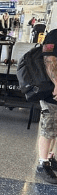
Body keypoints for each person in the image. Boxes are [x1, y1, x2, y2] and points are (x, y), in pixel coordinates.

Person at [36, 29, 57, 184]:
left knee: (55, 126)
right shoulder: (54, 36)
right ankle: (42, 163)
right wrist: (56, 84)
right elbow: (49, 61)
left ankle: (51, 157)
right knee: (48, 126)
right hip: (50, 90)